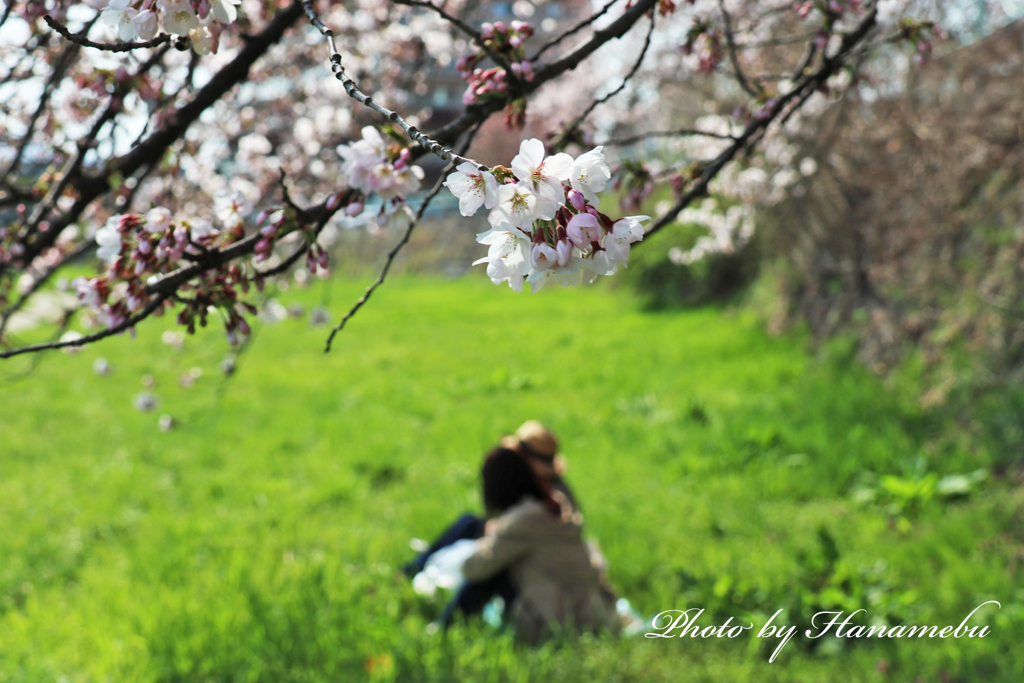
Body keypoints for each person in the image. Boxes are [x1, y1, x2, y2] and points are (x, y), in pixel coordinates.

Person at [462, 448, 620, 643]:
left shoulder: (521, 522)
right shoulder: (556, 503)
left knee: (491, 568)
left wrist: (490, 537)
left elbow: (472, 569)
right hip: (595, 612)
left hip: (559, 622)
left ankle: (445, 627)